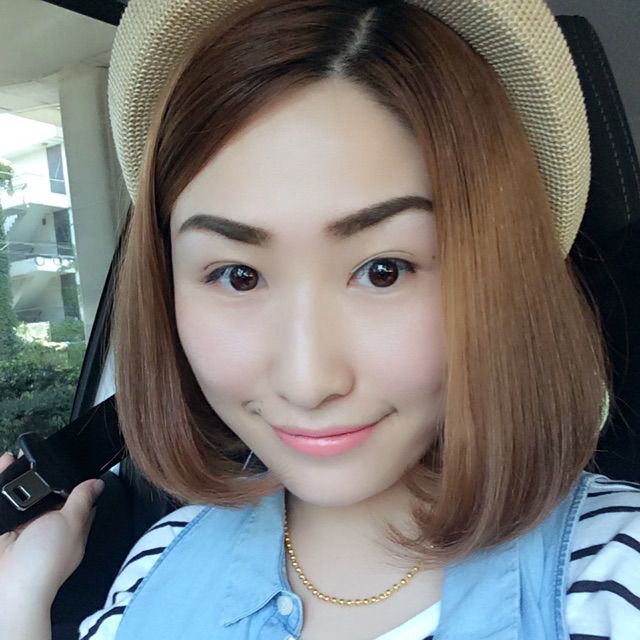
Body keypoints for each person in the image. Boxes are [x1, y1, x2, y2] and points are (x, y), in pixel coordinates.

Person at [1, 0, 639, 638]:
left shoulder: (616, 576)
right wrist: (19, 603)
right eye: (238, 276)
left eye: (384, 270)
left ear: (497, 278)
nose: (307, 383)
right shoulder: (157, 564)